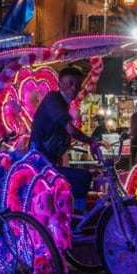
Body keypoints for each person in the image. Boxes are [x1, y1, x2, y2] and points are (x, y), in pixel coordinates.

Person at [28, 66, 98, 212]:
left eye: (77, 84)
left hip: (49, 163)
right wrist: (91, 141)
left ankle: (72, 213)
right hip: (40, 165)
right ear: (60, 84)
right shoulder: (53, 99)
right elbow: (71, 130)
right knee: (83, 177)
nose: (73, 88)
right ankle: (77, 218)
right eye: (69, 83)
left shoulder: (64, 105)